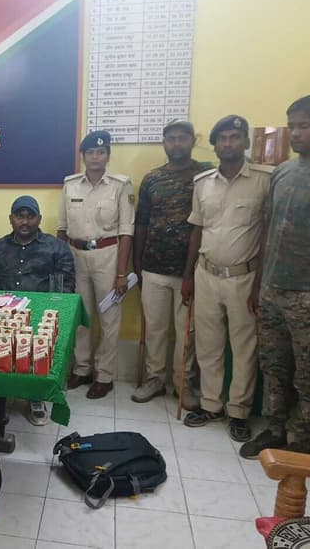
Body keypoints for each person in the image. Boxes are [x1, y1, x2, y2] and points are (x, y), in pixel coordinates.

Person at [240, 95, 310, 459]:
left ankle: (302, 439)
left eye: (304, 125)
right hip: (272, 288)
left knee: (308, 372)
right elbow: (269, 230)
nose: (296, 133)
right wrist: (258, 283)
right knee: (273, 365)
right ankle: (274, 429)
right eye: (292, 126)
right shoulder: (283, 172)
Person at [182, 115, 269, 442]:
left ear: (245, 142)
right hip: (206, 273)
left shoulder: (263, 181)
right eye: (223, 138)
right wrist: (188, 275)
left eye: (235, 137)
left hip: (244, 277)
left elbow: (268, 235)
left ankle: (239, 412)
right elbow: (196, 231)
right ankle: (211, 405)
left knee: (244, 348)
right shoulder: (202, 183)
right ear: (215, 145)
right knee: (208, 344)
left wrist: (259, 284)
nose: (228, 143)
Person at [131, 120, 211, 410]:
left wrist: (191, 272)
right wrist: (137, 264)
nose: (176, 143)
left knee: (186, 332)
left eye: (182, 138)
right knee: (155, 329)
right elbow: (141, 223)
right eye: (171, 138)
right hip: (153, 266)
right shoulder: (152, 179)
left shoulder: (205, 175)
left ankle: (182, 384)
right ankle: (155, 379)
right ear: (164, 142)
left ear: (192, 141)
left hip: (191, 270)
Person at [0, 195, 75, 424]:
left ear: (39, 219)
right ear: (10, 219)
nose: (24, 221)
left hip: (38, 317)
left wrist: (48, 313)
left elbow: (65, 290)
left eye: (30, 216)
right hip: (2, 317)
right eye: (19, 216)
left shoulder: (56, 249)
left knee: (38, 342)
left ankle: (35, 396)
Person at [59, 130, 135, 399]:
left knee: (109, 318)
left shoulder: (120, 185)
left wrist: (121, 273)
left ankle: (104, 375)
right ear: (83, 156)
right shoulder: (70, 185)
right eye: (90, 152)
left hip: (108, 256)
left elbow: (126, 232)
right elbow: (62, 229)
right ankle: (82, 369)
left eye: (101, 152)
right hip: (76, 255)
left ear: (108, 156)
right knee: (81, 316)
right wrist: (62, 264)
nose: (95, 157)